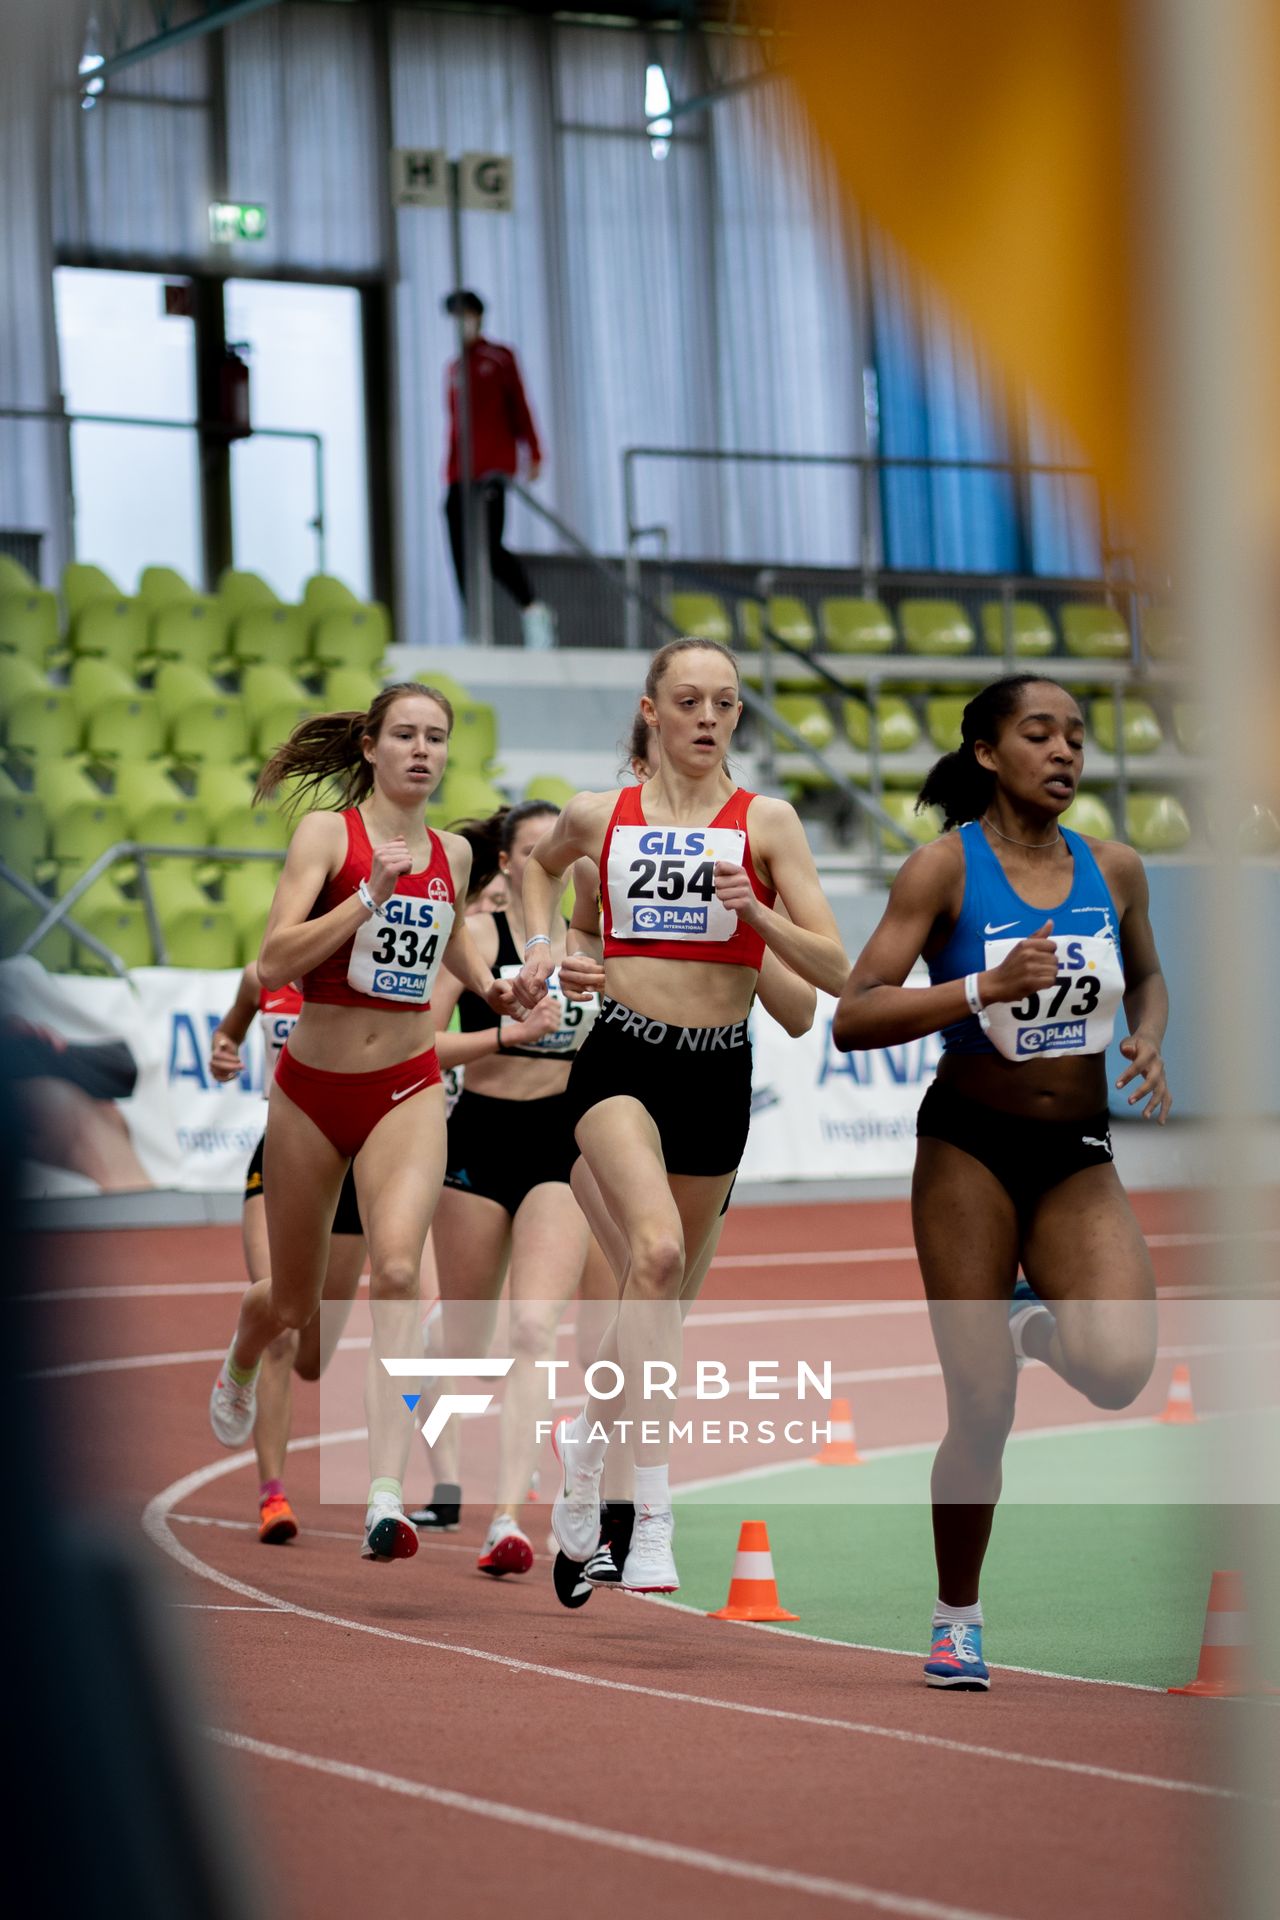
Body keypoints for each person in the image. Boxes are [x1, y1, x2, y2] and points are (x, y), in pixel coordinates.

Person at [832, 673, 1170, 1690]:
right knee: (979, 1411)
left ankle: (1030, 1324)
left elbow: (1145, 975)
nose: (1064, 752)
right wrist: (979, 986)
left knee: (1115, 1370)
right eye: (1039, 734)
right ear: (986, 751)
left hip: (1075, 1151)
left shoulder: (1112, 868)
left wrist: (1146, 1036)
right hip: (967, 1149)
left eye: (1075, 736)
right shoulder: (940, 870)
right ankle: (955, 1617)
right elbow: (852, 1013)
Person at [515, 638, 848, 1594]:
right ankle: (653, 1508)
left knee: (659, 1300)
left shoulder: (768, 823)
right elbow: (542, 872)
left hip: (717, 1077)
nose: (709, 717)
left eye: (727, 703)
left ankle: (586, 1442)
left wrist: (759, 914)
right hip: (621, 1060)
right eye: (690, 700)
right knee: (653, 1254)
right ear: (652, 711)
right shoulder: (600, 813)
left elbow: (832, 974)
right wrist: (546, 951)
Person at [208, 683, 520, 1562]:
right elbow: (274, 958)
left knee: (394, 1269)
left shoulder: (454, 853)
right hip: (310, 1091)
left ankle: (386, 1492)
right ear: (372, 748)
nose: (423, 751)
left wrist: (491, 986)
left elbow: (452, 936)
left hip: (406, 1086)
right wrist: (365, 900)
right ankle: (242, 1351)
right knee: (294, 1307)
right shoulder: (328, 838)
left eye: (438, 738)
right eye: (407, 736)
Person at [407, 799, 604, 1577]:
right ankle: (425, 1355)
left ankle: (507, 1519)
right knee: (461, 1340)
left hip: (563, 1145)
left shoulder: (595, 941)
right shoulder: (475, 939)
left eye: (565, 847)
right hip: (480, 1137)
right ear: (510, 866)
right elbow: (420, 1044)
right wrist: (505, 1032)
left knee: (533, 1331)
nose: (555, 857)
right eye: (535, 848)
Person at [208, 963, 367, 1544]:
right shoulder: (264, 976)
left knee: (311, 1357)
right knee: (283, 1334)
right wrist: (223, 1052)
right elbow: (228, 1032)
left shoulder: (374, 973)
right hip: (282, 1156)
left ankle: (255, 1337)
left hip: (353, 1167)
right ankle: (272, 1495)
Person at [442, 289, 555, 649]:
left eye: (464, 315)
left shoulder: (499, 358)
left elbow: (520, 407)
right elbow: (455, 427)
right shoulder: (454, 368)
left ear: (476, 315)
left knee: (489, 547)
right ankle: (472, 624)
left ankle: (533, 609)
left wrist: (533, 452)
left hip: (491, 469)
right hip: (460, 473)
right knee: (460, 547)